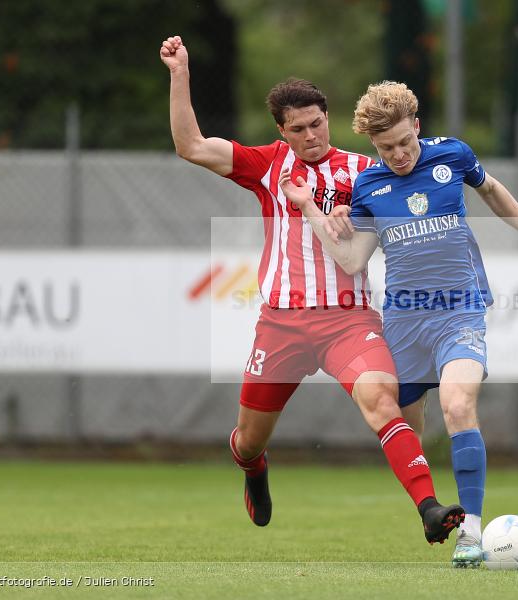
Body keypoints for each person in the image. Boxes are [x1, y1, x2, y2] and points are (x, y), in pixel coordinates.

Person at [160, 39, 464, 544]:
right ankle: (254, 468)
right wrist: (180, 72)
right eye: (297, 129)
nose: (310, 135)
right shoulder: (266, 165)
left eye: (316, 123)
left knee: (381, 403)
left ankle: (430, 509)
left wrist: (363, 219)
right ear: (282, 130)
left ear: (329, 117)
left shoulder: (365, 174)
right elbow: (190, 145)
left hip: (348, 320)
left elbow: (401, 227)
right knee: (249, 440)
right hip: (281, 323)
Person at [279, 81, 518, 567]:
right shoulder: (370, 186)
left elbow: (493, 191)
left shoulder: (452, 156)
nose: (398, 154)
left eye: (404, 142)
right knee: (406, 425)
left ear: (417, 125)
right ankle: (436, 509)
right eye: (385, 148)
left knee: (458, 404)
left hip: (458, 309)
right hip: (402, 322)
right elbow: (353, 260)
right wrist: (312, 209)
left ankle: (472, 535)